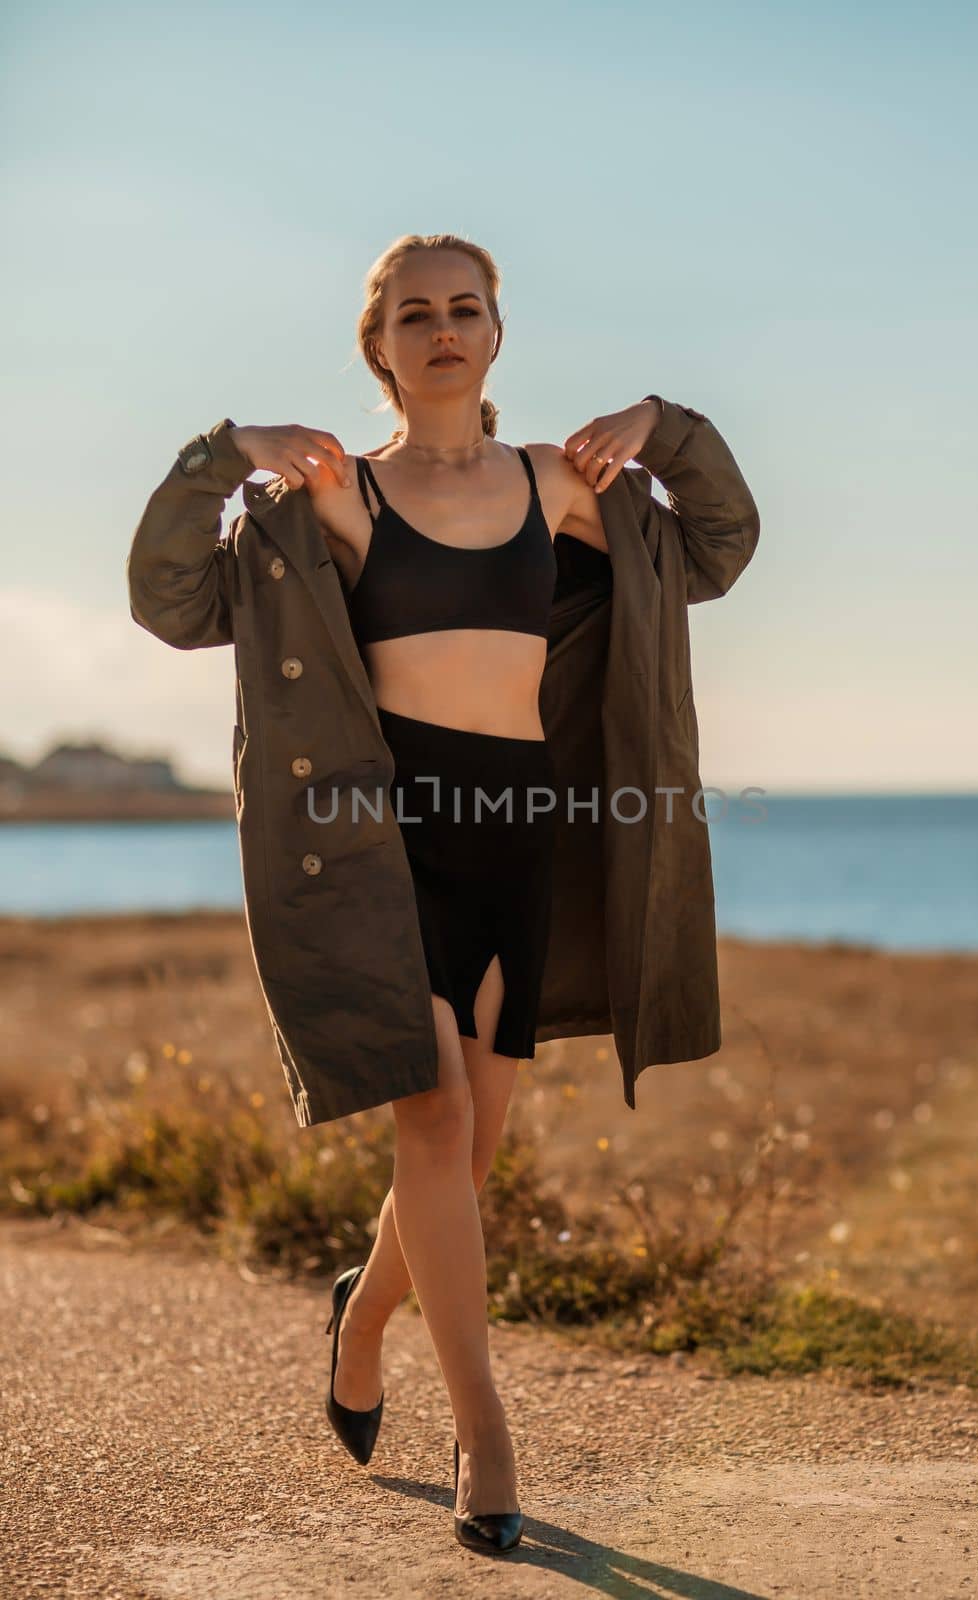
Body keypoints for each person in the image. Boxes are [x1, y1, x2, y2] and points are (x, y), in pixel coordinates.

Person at [226, 233, 668, 1554]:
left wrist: (658, 423)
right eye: (413, 313)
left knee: (468, 1153)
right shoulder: (344, 493)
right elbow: (188, 586)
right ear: (380, 347)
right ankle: (486, 1434)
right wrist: (238, 439)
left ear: (494, 334)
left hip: (519, 833)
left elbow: (694, 545)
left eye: (464, 307)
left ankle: (364, 1314)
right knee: (430, 1123)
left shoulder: (554, 482)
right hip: (389, 834)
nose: (441, 327)